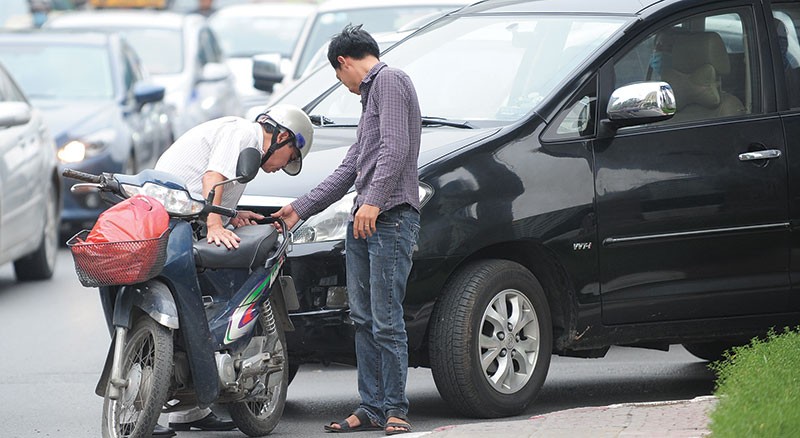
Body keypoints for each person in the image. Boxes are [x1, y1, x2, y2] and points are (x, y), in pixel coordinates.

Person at [271, 24, 421, 435]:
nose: (346, 86)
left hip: (389, 217)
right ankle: (370, 407)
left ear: (344, 62)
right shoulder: (371, 97)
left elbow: (396, 146)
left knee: (386, 318)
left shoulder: (389, 80)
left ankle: (395, 409)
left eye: (340, 78)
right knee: (363, 317)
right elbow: (348, 169)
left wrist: (372, 200)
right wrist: (298, 210)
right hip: (365, 220)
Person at [151, 104, 314, 436]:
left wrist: (232, 215)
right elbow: (212, 178)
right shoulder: (243, 133)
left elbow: (214, 189)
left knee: (197, 307)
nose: (283, 167)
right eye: (289, 157)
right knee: (191, 308)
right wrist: (215, 223)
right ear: (282, 137)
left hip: (178, 218)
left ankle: (192, 409)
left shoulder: (248, 151)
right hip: (172, 219)